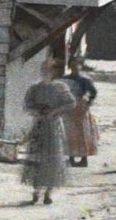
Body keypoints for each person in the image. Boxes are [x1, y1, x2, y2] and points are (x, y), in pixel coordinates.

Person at [21, 70, 76, 206]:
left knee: (53, 158)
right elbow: (27, 104)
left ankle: (48, 193)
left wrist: (55, 111)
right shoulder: (35, 88)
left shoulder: (60, 87)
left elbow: (71, 103)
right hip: (40, 125)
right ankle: (36, 192)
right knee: (37, 159)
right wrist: (37, 113)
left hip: (54, 126)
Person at [59, 59, 99, 167]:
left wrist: (88, 102)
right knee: (69, 132)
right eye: (72, 66)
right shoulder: (65, 79)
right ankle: (71, 157)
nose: (74, 68)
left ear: (80, 66)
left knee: (82, 132)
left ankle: (83, 158)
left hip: (80, 108)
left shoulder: (84, 80)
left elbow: (93, 92)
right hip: (68, 107)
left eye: (76, 66)